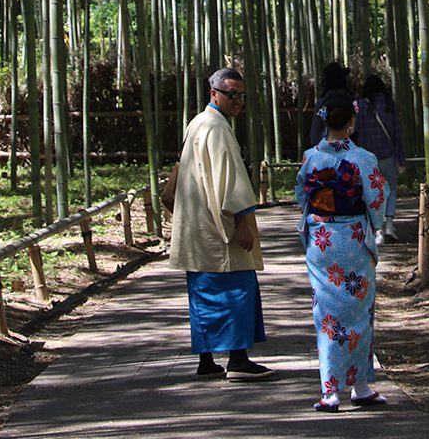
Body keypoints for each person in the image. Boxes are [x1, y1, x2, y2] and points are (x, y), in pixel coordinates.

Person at [168, 68, 274, 381]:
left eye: (241, 95)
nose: (237, 100)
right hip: (219, 227)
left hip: (197, 226)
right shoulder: (216, 127)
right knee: (236, 290)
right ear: (214, 93)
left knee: (203, 293)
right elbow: (230, 180)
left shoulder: (199, 123)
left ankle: (207, 359)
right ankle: (238, 359)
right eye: (231, 94)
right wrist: (242, 223)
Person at [296, 89, 388, 411]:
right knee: (360, 313)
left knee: (327, 316)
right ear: (351, 121)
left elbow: (301, 197)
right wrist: (374, 228)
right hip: (352, 238)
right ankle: (360, 385)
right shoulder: (363, 159)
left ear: (323, 120)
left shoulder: (311, 157)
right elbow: (377, 198)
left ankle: (330, 391)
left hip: (322, 241)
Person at [352, 73, 405, 245]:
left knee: (371, 192)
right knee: (390, 190)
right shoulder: (388, 103)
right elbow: (397, 133)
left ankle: (378, 230)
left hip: (367, 159)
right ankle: (389, 224)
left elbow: (353, 130)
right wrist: (401, 159)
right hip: (388, 155)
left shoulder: (359, 106)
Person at [308, 60, 352, 148]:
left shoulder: (323, 103)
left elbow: (315, 132)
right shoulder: (351, 100)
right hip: (349, 149)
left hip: (327, 148)